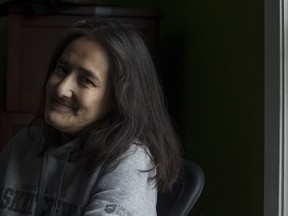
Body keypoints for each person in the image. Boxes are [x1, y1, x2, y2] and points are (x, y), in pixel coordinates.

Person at [0, 17, 182, 215]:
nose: (62, 88)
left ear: (117, 99)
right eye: (62, 69)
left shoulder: (129, 161)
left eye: (86, 80)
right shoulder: (24, 143)